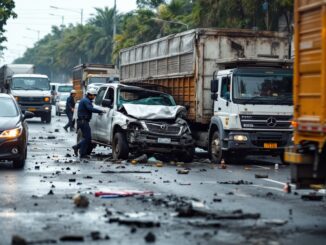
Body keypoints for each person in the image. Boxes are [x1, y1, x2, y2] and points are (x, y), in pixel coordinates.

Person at [72, 88, 104, 159]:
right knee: (88, 138)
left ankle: (78, 148)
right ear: (90, 95)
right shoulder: (86, 101)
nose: (94, 97)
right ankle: (81, 152)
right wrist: (100, 111)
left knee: (86, 138)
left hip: (82, 121)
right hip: (83, 121)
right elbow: (90, 108)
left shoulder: (85, 100)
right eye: (94, 95)